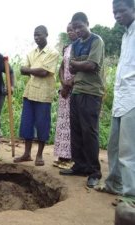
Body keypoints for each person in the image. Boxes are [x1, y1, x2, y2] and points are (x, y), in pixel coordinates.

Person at [59, 12, 105, 189]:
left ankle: (94, 172)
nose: (77, 30)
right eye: (74, 27)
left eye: (80, 26)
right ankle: (79, 166)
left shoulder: (96, 41)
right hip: (77, 91)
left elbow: (92, 66)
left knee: (89, 132)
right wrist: (80, 63)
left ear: (87, 23)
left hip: (92, 92)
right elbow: (72, 65)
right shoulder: (76, 44)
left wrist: (79, 64)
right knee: (76, 130)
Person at [96, 0, 135, 197]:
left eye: (121, 11)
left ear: (133, 9)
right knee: (114, 147)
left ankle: (130, 197)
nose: (117, 15)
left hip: (133, 99)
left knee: (128, 152)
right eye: (114, 12)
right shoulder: (126, 35)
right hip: (122, 98)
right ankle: (113, 184)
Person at [14, 25, 59, 166]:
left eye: (39, 34)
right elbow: (22, 69)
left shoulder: (53, 52)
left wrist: (30, 70)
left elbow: (44, 72)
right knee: (27, 124)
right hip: (29, 93)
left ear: (47, 34)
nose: (36, 37)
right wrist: (33, 70)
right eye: (35, 35)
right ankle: (27, 154)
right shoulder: (31, 52)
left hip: (44, 95)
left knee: (42, 125)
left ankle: (39, 155)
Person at [53, 23, 78, 169]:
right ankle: (63, 157)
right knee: (63, 124)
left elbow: (81, 71)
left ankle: (72, 158)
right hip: (65, 92)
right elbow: (62, 67)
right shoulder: (67, 48)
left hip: (75, 89)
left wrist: (69, 85)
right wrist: (63, 83)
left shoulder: (82, 47)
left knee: (72, 125)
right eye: (68, 30)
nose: (70, 32)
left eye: (73, 29)